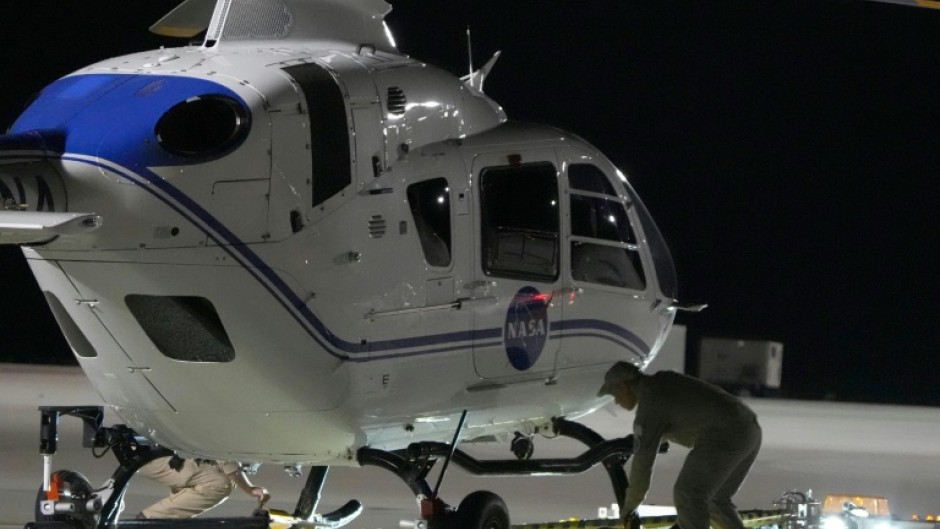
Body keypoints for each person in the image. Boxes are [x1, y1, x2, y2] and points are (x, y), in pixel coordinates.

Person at [598, 361, 762, 529]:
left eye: (614, 393)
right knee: (715, 500)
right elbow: (682, 411)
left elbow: (642, 464)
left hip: (725, 435)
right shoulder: (663, 381)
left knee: (688, 493)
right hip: (749, 429)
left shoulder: (650, 404)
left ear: (625, 387)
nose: (616, 401)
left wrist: (629, 507)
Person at [136, 455, 270, 519]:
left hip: (158, 453)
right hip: (155, 454)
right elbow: (222, 454)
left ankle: (159, 518)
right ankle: (150, 519)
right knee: (219, 484)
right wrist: (249, 489)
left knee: (216, 478)